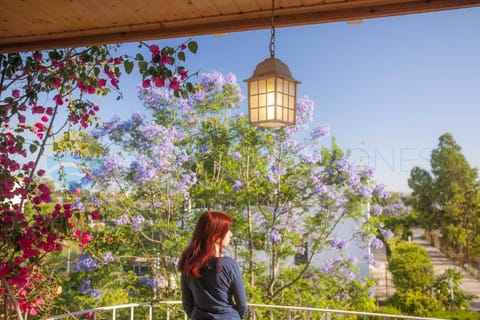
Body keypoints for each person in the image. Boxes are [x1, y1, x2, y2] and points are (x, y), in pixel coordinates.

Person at [178, 211, 248, 320]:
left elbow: (187, 304)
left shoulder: (188, 264)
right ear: (216, 236)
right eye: (227, 230)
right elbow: (242, 304)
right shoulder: (228, 265)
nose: (231, 234)